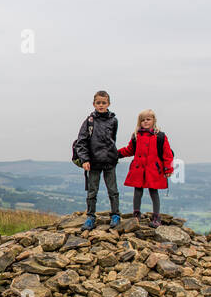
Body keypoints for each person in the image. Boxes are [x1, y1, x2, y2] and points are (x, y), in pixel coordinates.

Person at [118, 109, 174, 227]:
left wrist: (168, 169)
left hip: (153, 170)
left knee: (154, 192)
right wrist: (116, 154)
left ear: (154, 120)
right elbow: (130, 150)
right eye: (143, 120)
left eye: (148, 119)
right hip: (139, 169)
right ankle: (136, 214)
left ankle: (156, 217)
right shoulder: (136, 136)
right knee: (137, 192)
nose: (145, 122)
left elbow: (167, 154)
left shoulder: (160, 136)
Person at [73, 90, 121, 230]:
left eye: (103, 103)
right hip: (93, 162)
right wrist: (85, 160)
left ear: (109, 104)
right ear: (94, 104)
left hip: (109, 161)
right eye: (98, 103)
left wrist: (113, 155)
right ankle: (90, 217)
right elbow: (81, 142)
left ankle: (115, 215)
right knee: (92, 191)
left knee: (113, 190)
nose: (101, 105)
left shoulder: (113, 120)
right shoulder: (89, 121)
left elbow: (113, 139)